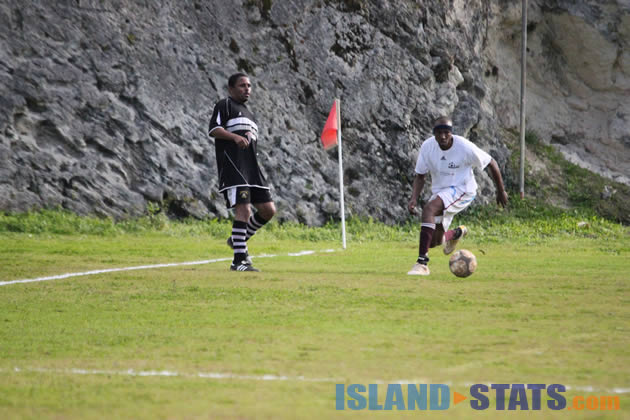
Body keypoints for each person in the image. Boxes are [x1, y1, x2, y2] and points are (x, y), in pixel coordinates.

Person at [407, 116, 508, 275]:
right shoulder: (427, 147)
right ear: (434, 134)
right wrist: (414, 198)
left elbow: (491, 162)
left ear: (451, 132)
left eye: (446, 132)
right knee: (432, 242)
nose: (443, 136)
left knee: (429, 209)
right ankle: (456, 234)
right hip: (441, 192)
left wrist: (501, 191)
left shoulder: (464, 147)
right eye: (439, 133)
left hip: (463, 190)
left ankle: (422, 264)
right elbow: (420, 176)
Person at [208, 73, 276, 272]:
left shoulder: (250, 114)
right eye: (242, 85)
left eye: (249, 85)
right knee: (244, 211)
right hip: (234, 168)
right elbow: (213, 129)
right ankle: (239, 261)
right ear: (231, 88)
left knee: (268, 210)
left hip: (252, 170)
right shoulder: (225, 105)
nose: (247, 89)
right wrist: (234, 137)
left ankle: (238, 239)